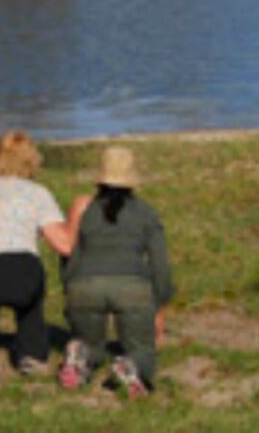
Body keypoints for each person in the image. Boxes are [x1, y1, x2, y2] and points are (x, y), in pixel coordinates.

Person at [0, 130, 81, 385]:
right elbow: (63, 245)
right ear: (32, 160)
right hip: (19, 268)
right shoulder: (37, 193)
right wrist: (76, 221)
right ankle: (31, 354)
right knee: (30, 308)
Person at [58, 145, 175, 397]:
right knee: (143, 350)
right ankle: (131, 364)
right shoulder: (146, 213)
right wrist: (160, 309)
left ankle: (82, 355)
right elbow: (160, 266)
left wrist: (69, 292)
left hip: (84, 285)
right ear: (131, 180)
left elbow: (68, 255)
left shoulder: (84, 209)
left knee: (92, 345)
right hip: (132, 288)